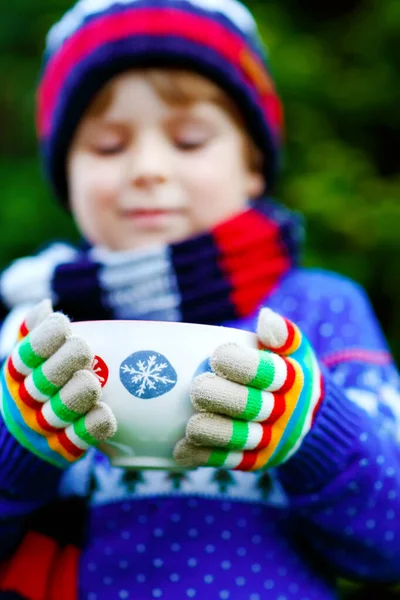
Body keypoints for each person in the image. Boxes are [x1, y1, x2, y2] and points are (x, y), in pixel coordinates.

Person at [0, 0, 399, 598]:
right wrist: (18, 446)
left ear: (253, 165)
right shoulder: (33, 335)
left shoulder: (322, 309)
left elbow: (388, 543)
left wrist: (313, 431)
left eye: (188, 140)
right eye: (108, 146)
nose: (148, 169)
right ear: (66, 174)